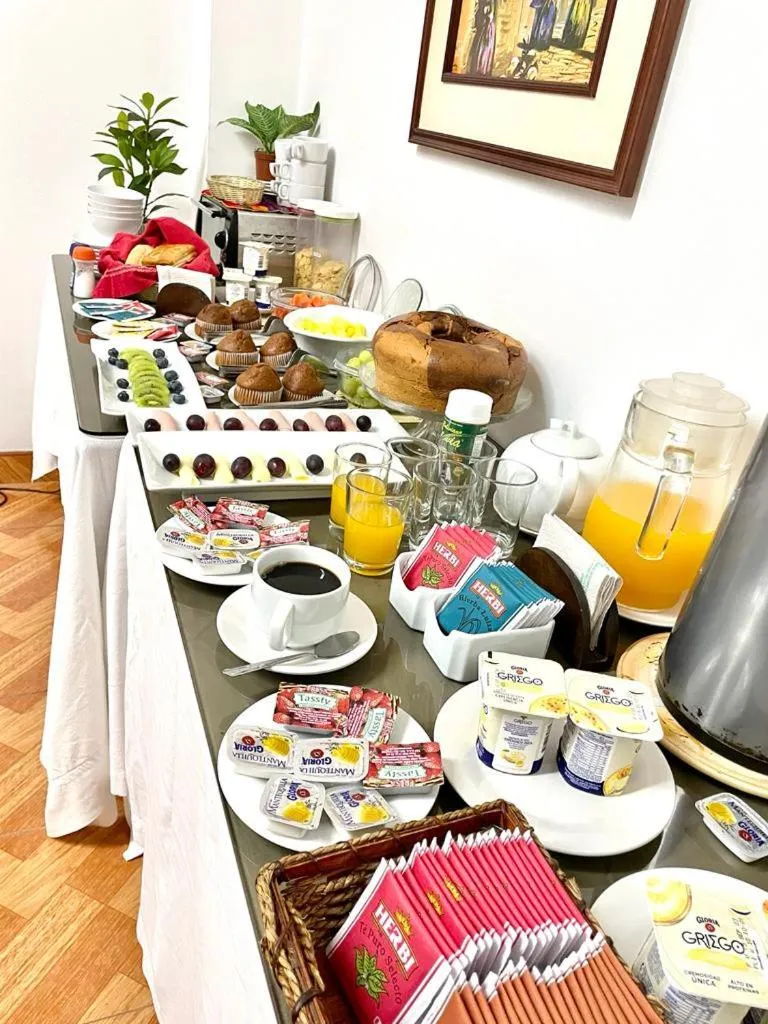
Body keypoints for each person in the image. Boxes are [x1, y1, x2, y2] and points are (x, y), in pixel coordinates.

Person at [468, 0, 497, 76]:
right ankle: (478, 68)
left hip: (487, 27)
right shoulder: (483, 3)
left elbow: (490, 16)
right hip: (483, 26)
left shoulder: (491, 3)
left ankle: (482, 69)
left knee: (485, 48)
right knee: (480, 48)